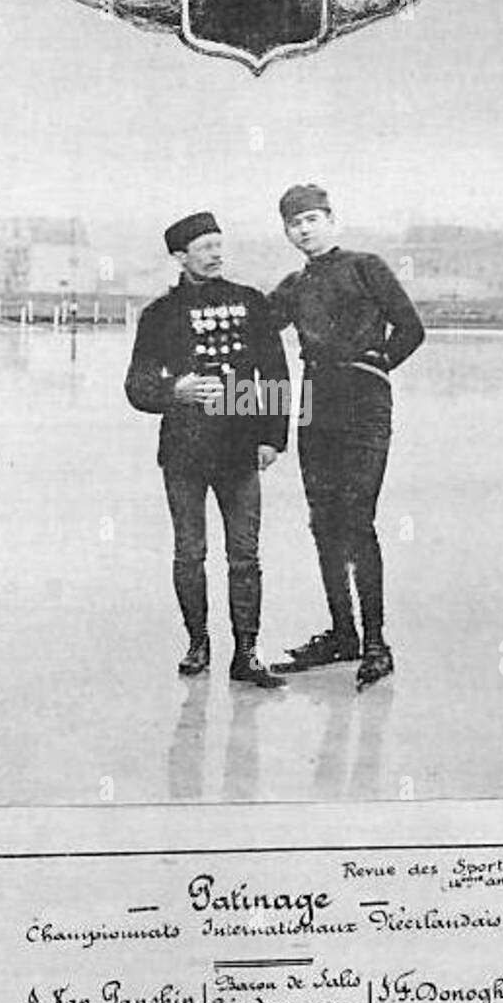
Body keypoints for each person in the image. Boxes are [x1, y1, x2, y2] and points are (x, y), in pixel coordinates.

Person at [268, 184, 425, 690]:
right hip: (316, 409)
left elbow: (410, 329)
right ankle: (343, 634)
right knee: (323, 522)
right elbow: (256, 325)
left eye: (312, 218)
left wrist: (378, 364)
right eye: (294, 223)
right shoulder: (294, 284)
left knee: (357, 518)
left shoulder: (367, 266)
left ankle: (376, 642)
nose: (304, 229)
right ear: (287, 232)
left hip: (364, 409)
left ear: (332, 219)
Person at [124, 210, 289, 690]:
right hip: (185, 450)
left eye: (219, 245)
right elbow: (135, 386)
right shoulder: (160, 314)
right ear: (180, 256)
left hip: (239, 450)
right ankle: (198, 644)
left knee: (245, 555)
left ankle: (247, 654)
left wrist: (269, 438)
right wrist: (175, 391)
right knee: (189, 552)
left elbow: (273, 374)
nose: (216, 254)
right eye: (205, 248)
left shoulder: (250, 302)